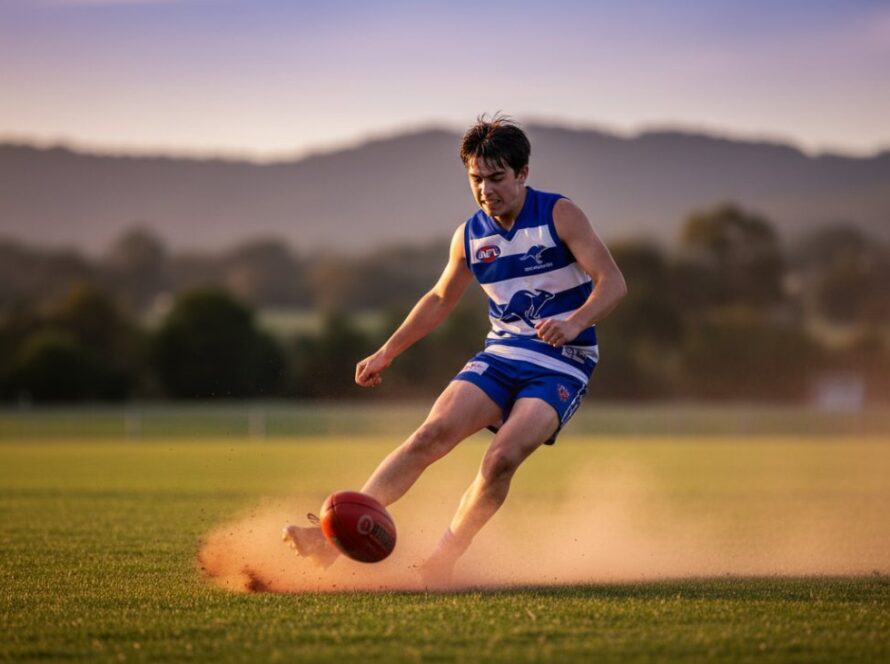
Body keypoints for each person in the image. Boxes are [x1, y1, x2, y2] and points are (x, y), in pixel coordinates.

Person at [283, 114, 627, 584]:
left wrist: (575, 321)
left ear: (523, 173)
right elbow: (441, 299)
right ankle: (330, 542)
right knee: (429, 435)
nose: (486, 190)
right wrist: (387, 351)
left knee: (501, 459)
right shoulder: (469, 236)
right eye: (476, 179)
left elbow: (613, 283)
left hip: (562, 364)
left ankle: (443, 558)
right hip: (502, 356)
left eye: (497, 178)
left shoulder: (559, 214)